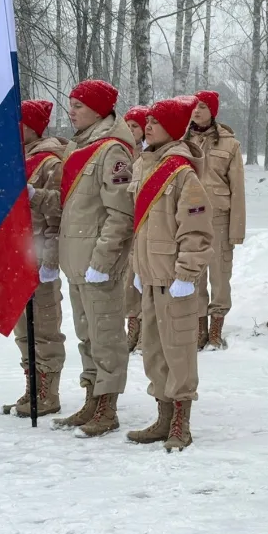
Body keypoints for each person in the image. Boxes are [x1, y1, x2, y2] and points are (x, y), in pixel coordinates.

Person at [33, 79, 136, 437]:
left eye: (77, 105)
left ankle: (107, 408)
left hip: (96, 263)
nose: (71, 111)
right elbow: (68, 205)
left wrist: (102, 262)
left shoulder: (113, 151)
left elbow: (121, 214)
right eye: (71, 104)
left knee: (106, 335)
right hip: (76, 261)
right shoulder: (77, 146)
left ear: (99, 109)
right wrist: (34, 196)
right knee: (87, 335)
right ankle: (91, 399)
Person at [126, 96, 213, 451]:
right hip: (149, 275)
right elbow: (142, 226)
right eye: (147, 121)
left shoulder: (182, 173)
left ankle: (180, 421)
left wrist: (186, 274)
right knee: (155, 352)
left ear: (174, 129)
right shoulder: (145, 165)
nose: (148, 126)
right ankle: (162, 415)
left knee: (179, 351)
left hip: (175, 279)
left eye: (156, 122)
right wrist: (137, 267)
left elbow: (196, 231)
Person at [3, 100, 68, 418]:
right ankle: (31, 387)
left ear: (33, 127)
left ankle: (48, 392)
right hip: (16, 257)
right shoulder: (13, 159)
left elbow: (60, 213)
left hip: (40, 256)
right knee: (22, 330)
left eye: (19, 122)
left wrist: (51, 261)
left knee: (43, 329)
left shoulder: (50, 162)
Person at [185, 90, 245, 350]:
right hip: (189, 218)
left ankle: (216, 329)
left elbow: (238, 190)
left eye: (201, 107)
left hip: (219, 218)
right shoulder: (181, 141)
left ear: (213, 111)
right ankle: (199, 328)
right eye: (193, 107)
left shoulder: (229, 144)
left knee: (220, 275)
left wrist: (236, 231)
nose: (196, 111)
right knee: (194, 273)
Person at [123, 105, 149, 353]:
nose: (131, 131)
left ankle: (145, 327)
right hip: (124, 222)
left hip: (144, 223)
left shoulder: (149, 155)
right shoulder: (117, 151)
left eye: (135, 126)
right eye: (127, 125)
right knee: (127, 280)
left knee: (142, 273)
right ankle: (132, 324)